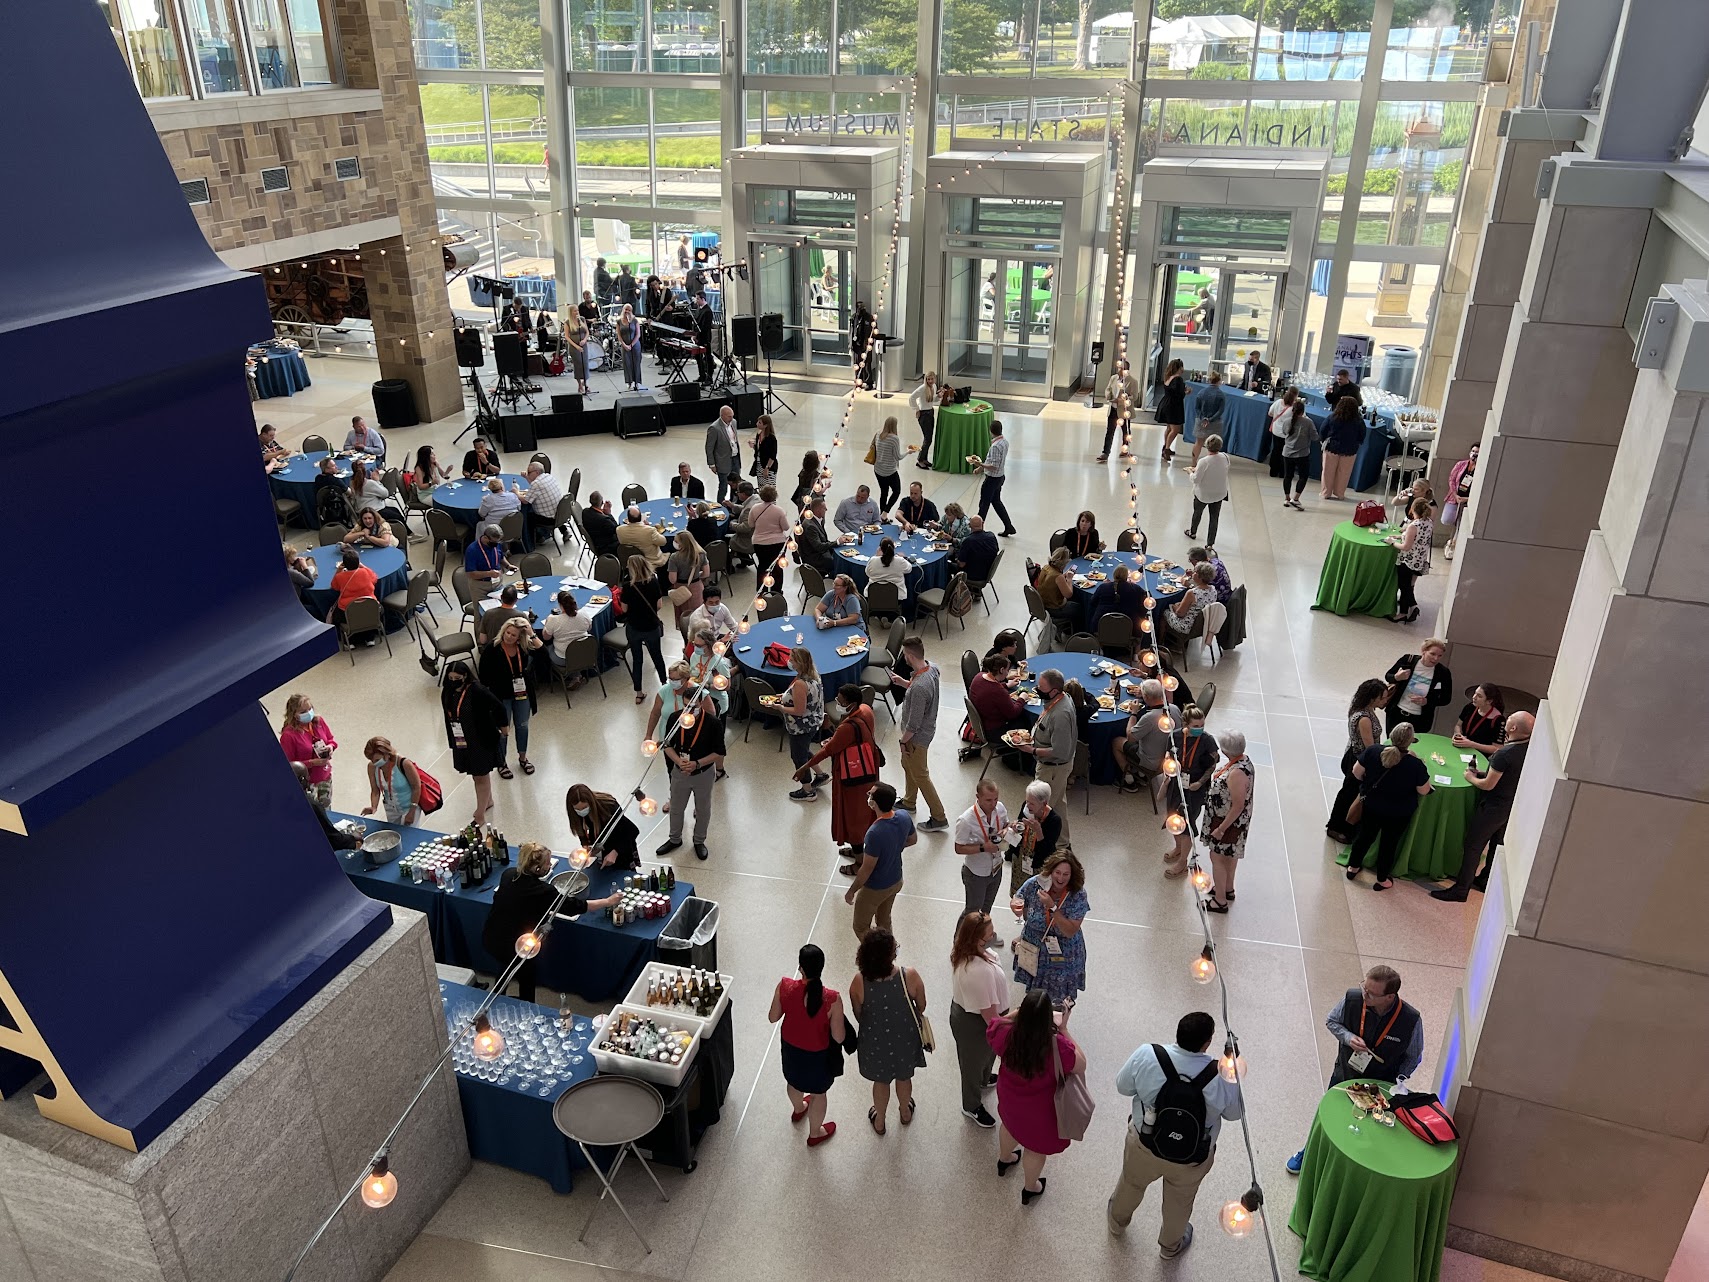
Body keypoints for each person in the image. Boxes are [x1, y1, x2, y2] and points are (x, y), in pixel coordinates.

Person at [1108, 1010, 1244, 1258]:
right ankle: (1170, 1247)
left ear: (1178, 1033)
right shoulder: (1222, 1075)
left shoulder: (1148, 1054)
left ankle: (1117, 1223)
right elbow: (1234, 1115)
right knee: (1178, 1204)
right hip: (1192, 1157)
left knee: (1131, 1183)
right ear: (1207, 1043)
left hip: (1144, 1144)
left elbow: (1122, 1086)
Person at [1286, 966, 1422, 1174]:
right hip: (1345, 1074)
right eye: (1364, 987)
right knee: (1328, 1116)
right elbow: (1332, 1021)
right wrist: (1348, 1037)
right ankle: (1309, 1152)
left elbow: (1414, 1056)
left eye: (1371, 993)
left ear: (1389, 997)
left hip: (1380, 1084)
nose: (1364, 994)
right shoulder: (1352, 999)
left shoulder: (1410, 1020)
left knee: (1369, 1125)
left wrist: (1397, 1081)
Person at [483, 842, 621, 1002]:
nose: (550, 866)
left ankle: (497, 997)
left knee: (505, 966)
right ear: (536, 869)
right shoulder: (543, 891)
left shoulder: (508, 874)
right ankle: (527, 1005)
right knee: (526, 975)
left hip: (492, 937)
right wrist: (608, 901)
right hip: (517, 946)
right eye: (547, 864)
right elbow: (576, 906)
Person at [989, 988, 1087, 1205]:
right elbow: (1081, 1064)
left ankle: (1004, 1159)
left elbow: (994, 1023)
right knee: (1034, 1148)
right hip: (1040, 1112)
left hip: (1010, 1099)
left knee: (1009, 1126)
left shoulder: (1007, 1033)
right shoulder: (1058, 1047)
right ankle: (1030, 1188)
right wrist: (1064, 1029)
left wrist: (1019, 1013)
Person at [1434, 711, 1533, 901]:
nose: (1507, 719)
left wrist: (1471, 777)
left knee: (1473, 846)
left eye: (1510, 718)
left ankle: (1461, 890)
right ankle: (1485, 879)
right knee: (1497, 845)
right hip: (1510, 806)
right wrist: (1483, 773)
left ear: (1512, 728)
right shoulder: (1528, 749)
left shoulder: (1504, 753)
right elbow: (1505, 775)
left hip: (1493, 807)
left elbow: (1488, 785)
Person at [849, 927, 926, 1134]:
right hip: (905, 1038)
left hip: (875, 1041)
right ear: (890, 954)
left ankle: (880, 1120)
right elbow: (922, 1006)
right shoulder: (909, 975)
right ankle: (905, 1112)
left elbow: (858, 1014)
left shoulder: (858, 982)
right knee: (903, 1077)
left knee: (881, 1081)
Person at [769, 943, 846, 1149]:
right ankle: (815, 1133)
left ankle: (799, 1107)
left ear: (800, 968)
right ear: (821, 967)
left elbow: (772, 1017)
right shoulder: (833, 998)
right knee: (819, 1093)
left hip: (791, 1050)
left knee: (793, 1082)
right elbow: (839, 1037)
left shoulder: (784, 986)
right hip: (818, 1057)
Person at [796, 685, 880, 874]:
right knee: (863, 815)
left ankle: (860, 863)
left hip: (853, 779)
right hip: (868, 771)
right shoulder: (866, 710)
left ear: (851, 703)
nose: (838, 704)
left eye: (841, 702)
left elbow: (828, 751)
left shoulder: (848, 728)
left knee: (853, 819)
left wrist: (804, 767)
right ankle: (858, 850)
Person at [1344, 722, 1432, 892]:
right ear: (1410, 742)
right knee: (1388, 844)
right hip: (1398, 813)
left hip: (1371, 806)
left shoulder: (1373, 751)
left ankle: (1353, 867)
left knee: (1364, 836)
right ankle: (1382, 879)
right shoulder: (1415, 765)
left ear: (1391, 736)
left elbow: (1356, 772)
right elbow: (1424, 790)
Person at [656, 673, 725, 862]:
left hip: (703, 773)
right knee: (676, 808)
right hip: (680, 771)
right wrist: (679, 762)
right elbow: (666, 745)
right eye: (686, 706)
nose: (688, 711)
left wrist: (696, 764)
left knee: (703, 809)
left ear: (701, 704)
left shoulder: (713, 724)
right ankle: (675, 839)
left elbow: (719, 752)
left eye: (692, 707)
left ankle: (699, 841)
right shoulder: (675, 718)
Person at [949, 911, 1008, 1128]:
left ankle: (984, 1079)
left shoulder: (974, 952)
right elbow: (990, 1017)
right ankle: (971, 1104)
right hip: (975, 1024)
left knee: (985, 1056)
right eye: (988, 936)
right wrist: (1012, 1021)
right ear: (975, 939)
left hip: (979, 1016)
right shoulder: (977, 971)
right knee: (971, 1065)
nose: (992, 939)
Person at [1010, 850, 1089, 1004]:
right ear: (1050, 870)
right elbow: (1018, 898)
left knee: (1061, 1000)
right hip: (1034, 950)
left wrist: (1052, 907)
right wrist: (1015, 906)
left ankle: (1059, 1025)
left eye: (1066, 874)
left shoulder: (1078, 894)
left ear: (1072, 875)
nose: (1060, 878)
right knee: (1034, 996)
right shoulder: (1035, 884)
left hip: (1062, 954)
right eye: (1057, 872)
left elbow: (1070, 931)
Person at [891, 636, 948, 832]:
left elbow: (913, 725)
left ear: (909, 655)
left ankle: (939, 816)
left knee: (921, 775)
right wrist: (903, 683)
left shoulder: (919, 687)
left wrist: (902, 741)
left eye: (904, 655)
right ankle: (909, 801)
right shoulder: (931, 668)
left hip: (916, 738)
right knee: (907, 764)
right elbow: (920, 694)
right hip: (926, 729)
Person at [845, 781, 915, 938]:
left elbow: (866, 869)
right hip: (896, 880)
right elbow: (913, 839)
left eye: (870, 794)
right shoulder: (904, 816)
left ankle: (878, 956)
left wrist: (852, 891)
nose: (868, 796)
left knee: (861, 926)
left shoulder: (874, 833)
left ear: (874, 803)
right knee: (884, 920)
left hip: (875, 888)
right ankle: (890, 950)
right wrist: (895, 847)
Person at [1016, 668, 1077, 841]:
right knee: (1058, 805)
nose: (1037, 689)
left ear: (1054, 691)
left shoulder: (1061, 715)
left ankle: (1036, 845)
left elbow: (1059, 750)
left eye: (1041, 687)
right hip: (1056, 768)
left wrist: (1032, 750)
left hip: (1052, 769)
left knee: (1041, 809)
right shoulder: (1062, 699)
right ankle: (1063, 843)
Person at [479, 615, 543, 779]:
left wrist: (532, 634)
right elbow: (483, 677)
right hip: (501, 696)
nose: (509, 636)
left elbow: (544, 657)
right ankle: (501, 762)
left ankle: (523, 758)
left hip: (522, 694)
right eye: (507, 633)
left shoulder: (524, 647)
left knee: (522, 726)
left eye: (513, 635)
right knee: (503, 730)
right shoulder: (492, 648)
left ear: (519, 638)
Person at [440, 660, 504, 825]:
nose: (453, 681)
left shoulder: (476, 690)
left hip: (480, 740)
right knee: (477, 776)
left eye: (457, 678)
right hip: (462, 740)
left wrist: (503, 727)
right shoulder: (447, 691)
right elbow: (448, 718)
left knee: (480, 776)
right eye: (451, 677)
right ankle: (487, 800)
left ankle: (480, 813)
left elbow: (498, 706)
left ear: (465, 676)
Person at [1326, 678, 1388, 843]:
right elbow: (1369, 747)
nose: (1385, 700)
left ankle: (1346, 825)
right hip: (1359, 759)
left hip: (1356, 755)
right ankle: (1336, 826)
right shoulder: (1364, 718)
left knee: (1351, 791)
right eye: (1383, 697)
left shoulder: (1363, 709)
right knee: (1349, 792)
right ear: (1372, 698)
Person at [1199, 730, 1253, 911]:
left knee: (1217, 858)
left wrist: (1221, 829)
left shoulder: (1236, 773)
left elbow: (1237, 805)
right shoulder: (1244, 761)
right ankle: (1227, 888)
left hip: (1227, 823)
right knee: (1229, 855)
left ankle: (1219, 900)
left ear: (1225, 751)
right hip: (1231, 822)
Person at [1113, 678, 1183, 806]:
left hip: (1151, 762)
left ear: (1146, 697)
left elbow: (1130, 737)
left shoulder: (1150, 717)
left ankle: (1129, 780)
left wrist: (1133, 714)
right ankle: (1140, 775)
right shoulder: (1174, 708)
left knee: (1117, 742)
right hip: (1169, 760)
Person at [954, 780, 1011, 916]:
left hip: (996, 868)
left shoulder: (1000, 808)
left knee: (986, 910)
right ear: (977, 797)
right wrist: (983, 847)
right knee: (972, 912)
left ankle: (980, 937)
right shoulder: (966, 820)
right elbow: (959, 848)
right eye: (988, 800)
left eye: (996, 799)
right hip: (976, 873)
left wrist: (1007, 830)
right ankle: (960, 937)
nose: (993, 804)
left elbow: (1006, 824)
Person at [778, 647, 828, 801]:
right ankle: (820, 775)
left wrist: (780, 707)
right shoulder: (813, 676)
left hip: (801, 726)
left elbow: (799, 710)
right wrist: (784, 696)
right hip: (813, 722)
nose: (789, 661)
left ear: (798, 662)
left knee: (798, 757)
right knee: (804, 750)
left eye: (792, 659)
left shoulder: (800, 683)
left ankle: (807, 790)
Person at [618, 555, 669, 702]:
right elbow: (659, 605)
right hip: (651, 627)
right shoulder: (653, 582)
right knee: (657, 656)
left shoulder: (628, 587)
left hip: (634, 628)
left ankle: (639, 693)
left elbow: (624, 609)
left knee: (637, 660)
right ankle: (665, 685)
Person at [1384, 639, 1453, 735]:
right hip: (1396, 713)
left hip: (1420, 720)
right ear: (1423, 651)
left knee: (1412, 748)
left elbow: (1446, 699)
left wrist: (1427, 701)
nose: (1436, 658)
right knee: (1391, 744)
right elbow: (1388, 676)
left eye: (1440, 656)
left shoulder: (1443, 673)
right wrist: (1397, 677)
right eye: (1432, 654)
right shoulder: (1408, 660)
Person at [566, 785, 642, 870]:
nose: (581, 812)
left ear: (591, 803)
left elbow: (632, 830)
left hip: (620, 846)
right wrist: (585, 845)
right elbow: (581, 830)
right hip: (601, 852)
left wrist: (615, 852)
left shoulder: (609, 806)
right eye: (577, 809)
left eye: (584, 808)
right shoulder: (575, 813)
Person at [279, 694, 337, 807]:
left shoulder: (318, 722)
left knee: (326, 807)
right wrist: (312, 763)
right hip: (308, 783)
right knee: (314, 812)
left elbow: (331, 739)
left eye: (310, 709)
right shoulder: (289, 735)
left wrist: (330, 747)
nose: (309, 713)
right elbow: (289, 766)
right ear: (294, 714)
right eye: (303, 711)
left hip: (325, 776)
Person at [1009, 779, 1064, 895]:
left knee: (1035, 898)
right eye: (1027, 801)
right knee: (1019, 895)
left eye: (1032, 803)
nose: (1027, 805)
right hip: (1021, 859)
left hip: (1038, 865)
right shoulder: (1026, 807)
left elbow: (1048, 851)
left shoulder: (1054, 821)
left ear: (1044, 803)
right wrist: (1016, 827)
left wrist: (1039, 830)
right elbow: (1020, 824)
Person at [1175, 704, 1218, 848]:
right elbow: (1169, 755)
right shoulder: (1175, 736)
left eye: (1202, 725)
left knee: (1188, 822)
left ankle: (1183, 860)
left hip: (1196, 788)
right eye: (1196, 725)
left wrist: (1200, 782)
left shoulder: (1208, 741)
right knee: (1174, 818)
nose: (1200, 728)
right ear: (1185, 724)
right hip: (1178, 783)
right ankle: (1177, 848)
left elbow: (1213, 765)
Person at [1386, 496, 1434, 623]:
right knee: (1408, 586)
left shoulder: (1413, 525)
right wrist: (1400, 535)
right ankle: (1412, 607)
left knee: (1404, 586)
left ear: (1413, 509)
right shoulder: (1429, 522)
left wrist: (1392, 542)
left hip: (1407, 561)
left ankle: (1403, 612)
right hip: (1419, 560)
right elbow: (1417, 538)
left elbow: (1406, 547)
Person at [968, 654, 1026, 749]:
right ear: (1002, 670)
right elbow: (1013, 713)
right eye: (1007, 670)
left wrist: (1006, 685)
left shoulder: (978, 676)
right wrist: (1022, 698)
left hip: (981, 724)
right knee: (1024, 720)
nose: (1008, 673)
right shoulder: (998, 691)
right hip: (994, 731)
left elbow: (987, 691)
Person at [1184, 434, 1230, 547]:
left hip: (1203, 494)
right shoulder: (1225, 457)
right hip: (1219, 492)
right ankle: (1210, 543)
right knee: (1214, 518)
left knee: (1197, 513)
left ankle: (1193, 532)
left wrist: (1190, 472)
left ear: (1207, 446)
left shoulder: (1204, 461)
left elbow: (1196, 479)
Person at [974, 420, 1017, 537]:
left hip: (992, 479)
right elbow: (995, 462)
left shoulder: (995, 446)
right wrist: (981, 469)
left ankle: (977, 531)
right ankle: (1009, 526)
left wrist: (980, 465)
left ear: (991, 431)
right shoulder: (1004, 442)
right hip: (1000, 477)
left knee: (983, 504)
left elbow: (993, 465)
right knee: (996, 502)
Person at [326, 546, 380, 641]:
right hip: (370, 609)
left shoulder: (340, 577)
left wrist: (338, 571)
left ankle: (350, 640)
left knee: (338, 616)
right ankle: (370, 638)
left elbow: (334, 586)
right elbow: (375, 578)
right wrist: (362, 566)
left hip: (348, 611)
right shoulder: (365, 572)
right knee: (365, 615)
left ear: (345, 564)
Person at [1317, 396, 1366, 500]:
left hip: (1332, 447)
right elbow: (1362, 435)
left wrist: (1323, 440)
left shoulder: (1332, 417)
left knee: (1327, 472)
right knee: (1344, 473)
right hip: (1350, 450)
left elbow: (1323, 430)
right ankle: (1340, 494)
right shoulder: (1358, 420)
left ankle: (1326, 493)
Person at [665, 529, 709, 636]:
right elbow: (706, 573)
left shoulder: (674, 557)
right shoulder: (701, 554)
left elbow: (673, 579)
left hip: (681, 588)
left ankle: (687, 639)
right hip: (697, 587)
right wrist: (698, 576)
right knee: (698, 615)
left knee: (684, 617)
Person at [1162, 562, 1218, 646]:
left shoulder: (1192, 593)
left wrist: (1174, 607)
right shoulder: (1213, 590)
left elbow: (1179, 614)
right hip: (1202, 625)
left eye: (1195, 572)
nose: (1193, 573)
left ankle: (1160, 643)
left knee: (1164, 612)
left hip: (1187, 627)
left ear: (1200, 576)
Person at [749, 485, 794, 584]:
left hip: (759, 543)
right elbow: (786, 527)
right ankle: (777, 590)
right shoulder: (779, 511)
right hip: (777, 543)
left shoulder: (754, 509)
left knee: (762, 565)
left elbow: (750, 524)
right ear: (774, 496)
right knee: (777, 567)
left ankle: (761, 590)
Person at [512, 462, 564, 549]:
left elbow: (525, 501)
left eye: (529, 472)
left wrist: (516, 493)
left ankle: (539, 538)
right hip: (560, 513)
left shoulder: (536, 484)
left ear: (536, 472)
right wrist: (527, 478)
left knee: (528, 515)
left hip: (549, 519)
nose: (527, 473)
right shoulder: (548, 476)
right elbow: (534, 486)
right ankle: (563, 530)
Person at [1442, 442, 1478, 560]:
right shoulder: (1461, 464)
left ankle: (1453, 544)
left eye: (1477, 452)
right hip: (1455, 497)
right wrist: (1455, 495)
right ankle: (1451, 540)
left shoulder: (1480, 470)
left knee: (1460, 525)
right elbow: (1452, 479)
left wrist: (1467, 499)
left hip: (1468, 501)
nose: (1474, 454)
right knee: (1447, 519)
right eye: (1473, 451)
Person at [1100, 360, 1141, 463]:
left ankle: (1125, 449)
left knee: (1125, 431)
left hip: (1124, 410)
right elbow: (1108, 389)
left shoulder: (1133, 381)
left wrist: (1122, 399)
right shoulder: (1113, 378)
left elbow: (1134, 397)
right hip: (1113, 409)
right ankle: (1105, 452)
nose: (1120, 370)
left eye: (1122, 368)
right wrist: (1108, 396)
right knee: (1110, 431)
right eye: (1119, 368)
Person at [541, 589, 591, 672]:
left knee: (546, 648)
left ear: (560, 605)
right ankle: (577, 674)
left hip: (564, 658)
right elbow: (589, 628)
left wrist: (546, 625)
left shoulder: (553, 620)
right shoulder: (583, 614)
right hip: (585, 652)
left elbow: (546, 638)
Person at [1034, 547, 1080, 635]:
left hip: (1043, 603)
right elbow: (1068, 594)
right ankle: (1075, 632)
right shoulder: (1058, 577)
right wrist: (1069, 579)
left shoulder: (1046, 568)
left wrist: (1064, 576)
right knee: (1078, 607)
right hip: (1054, 607)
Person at [1276, 397, 1312, 509]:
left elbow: (1284, 432)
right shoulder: (1308, 422)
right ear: (1303, 411)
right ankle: (1295, 498)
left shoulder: (1287, 422)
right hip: (1302, 454)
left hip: (1287, 452)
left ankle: (1286, 498)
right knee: (1303, 476)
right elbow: (1315, 436)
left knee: (1288, 476)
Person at [1088, 563, 1144, 632]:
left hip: (1100, 630)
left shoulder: (1103, 587)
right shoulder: (1136, 589)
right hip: (1129, 633)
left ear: (1114, 574)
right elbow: (1145, 602)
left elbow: (1092, 602)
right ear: (1127, 576)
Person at [704, 405, 742, 503]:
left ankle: (734, 504)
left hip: (735, 459)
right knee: (723, 485)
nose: (731, 418)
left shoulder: (734, 422)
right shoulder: (714, 428)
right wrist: (712, 464)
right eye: (729, 416)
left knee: (736, 484)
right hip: (723, 462)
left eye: (732, 416)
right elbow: (709, 447)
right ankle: (720, 505)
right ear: (722, 416)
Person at [1451, 683, 1506, 750]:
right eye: (1475, 693)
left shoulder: (1498, 720)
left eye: (1479, 696)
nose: (1474, 697)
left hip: (1481, 755)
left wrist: (1471, 744)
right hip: (1463, 748)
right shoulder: (1470, 707)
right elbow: (1458, 725)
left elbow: (1497, 748)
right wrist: (1458, 734)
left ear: (1489, 701)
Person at [1189, 374, 1225, 470]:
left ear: (1209, 381)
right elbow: (1221, 410)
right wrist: (1211, 419)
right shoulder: (1221, 394)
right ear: (1219, 381)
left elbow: (1197, 408)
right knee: (1214, 445)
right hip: (1215, 423)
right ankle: (1213, 465)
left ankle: (1194, 463)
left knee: (1198, 443)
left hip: (1201, 422)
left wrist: (1203, 418)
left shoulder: (1201, 392)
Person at [1156, 358, 1187, 460]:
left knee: (1169, 428)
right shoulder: (1178, 379)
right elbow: (1179, 394)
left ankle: (1165, 446)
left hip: (1166, 404)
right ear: (1179, 368)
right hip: (1174, 406)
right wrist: (1186, 392)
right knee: (1175, 429)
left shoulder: (1169, 377)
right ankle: (1167, 449)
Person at [464, 523, 510, 591]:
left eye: (498, 541)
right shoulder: (472, 550)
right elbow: (471, 574)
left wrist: (508, 565)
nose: (496, 544)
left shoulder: (497, 544)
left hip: (497, 583)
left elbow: (500, 557)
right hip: (481, 586)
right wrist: (489, 574)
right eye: (494, 542)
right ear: (485, 537)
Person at [871, 416, 904, 513]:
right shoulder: (894, 439)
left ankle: (881, 514)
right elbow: (898, 457)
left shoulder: (878, 434)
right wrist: (908, 452)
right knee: (896, 491)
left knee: (884, 492)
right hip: (890, 471)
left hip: (878, 469)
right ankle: (885, 512)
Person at [865, 537, 912, 602]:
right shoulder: (900, 561)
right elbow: (909, 569)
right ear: (893, 548)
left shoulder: (873, 560)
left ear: (880, 549)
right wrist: (903, 558)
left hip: (874, 597)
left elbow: (868, 573)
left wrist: (876, 556)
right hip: (896, 599)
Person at [956, 515, 1000, 583]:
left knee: (948, 565)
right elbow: (996, 551)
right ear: (983, 523)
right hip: (987, 573)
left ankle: (950, 590)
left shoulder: (968, 541)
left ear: (969, 526)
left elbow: (962, 564)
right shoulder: (991, 536)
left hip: (971, 576)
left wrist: (957, 560)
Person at [910, 372, 939, 467]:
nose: (930, 381)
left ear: (935, 379)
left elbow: (932, 399)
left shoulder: (934, 386)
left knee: (929, 438)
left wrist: (939, 396)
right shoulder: (922, 388)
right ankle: (920, 460)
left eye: (932, 379)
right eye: (928, 379)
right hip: (924, 415)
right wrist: (916, 409)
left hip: (930, 412)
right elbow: (912, 397)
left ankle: (924, 459)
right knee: (928, 438)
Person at [850, 300, 877, 389]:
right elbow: (851, 331)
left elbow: (874, 331)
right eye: (858, 307)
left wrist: (871, 342)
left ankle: (869, 382)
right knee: (857, 364)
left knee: (867, 364)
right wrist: (851, 344)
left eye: (861, 307)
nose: (860, 309)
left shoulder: (869, 318)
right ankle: (859, 381)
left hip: (866, 344)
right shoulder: (853, 318)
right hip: (856, 344)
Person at [563, 313, 591, 395]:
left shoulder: (582, 319)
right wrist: (576, 346)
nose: (577, 312)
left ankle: (585, 384)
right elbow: (567, 336)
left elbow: (587, 332)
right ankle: (579, 384)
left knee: (585, 364)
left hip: (583, 345)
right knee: (578, 365)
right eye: (574, 311)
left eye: (577, 311)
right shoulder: (568, 322)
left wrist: (584, 340)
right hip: (574, 347)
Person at [617, 304, 643, 390]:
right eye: (626, 309)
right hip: (624, 345)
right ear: (623, 310)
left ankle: (637, 382)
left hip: (635, 345)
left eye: (629, 310)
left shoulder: (634, 320)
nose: (627, 311)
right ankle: (629, 381)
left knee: (636, 363)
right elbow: (619, 336)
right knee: (627, 363)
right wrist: (624, 345)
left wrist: (631, 345)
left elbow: (638, 334)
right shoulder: (619, 321)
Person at [751, 414, 778, 488]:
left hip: (768, 466)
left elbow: (772, 455)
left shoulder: (771, 438)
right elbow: (760, 450)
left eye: (760, 423)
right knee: (761, 487)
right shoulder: (758, 435)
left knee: (769, 488)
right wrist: (754, 446)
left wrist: (767, 468)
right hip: (759, 465)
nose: (757, 424)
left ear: (765, 425)